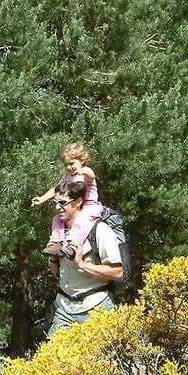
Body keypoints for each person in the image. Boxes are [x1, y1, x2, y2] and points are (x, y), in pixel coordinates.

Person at [47, 181, 123, 336]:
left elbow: (117, 272)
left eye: (62, 203)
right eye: (55, 203)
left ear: (78, 202)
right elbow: (56, 273)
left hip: (97, 306)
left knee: (100, 358)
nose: (57, 208)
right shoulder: (59, 231)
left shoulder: (100, 230)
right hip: (64, 307)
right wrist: (53, 259)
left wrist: (82, 264)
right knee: (54, 356)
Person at [32, 142, 104, 259]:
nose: (69, 167)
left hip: (89, 207)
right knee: (57, 219)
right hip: (72, 207)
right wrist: (42, 199)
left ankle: (74, 245)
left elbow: (92, 175)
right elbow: (55, 190)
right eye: (66, 165)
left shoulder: (85, 172)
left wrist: (84, 171)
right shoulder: (67, 176)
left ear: (82, 160)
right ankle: (56, 242)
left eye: (71, 163)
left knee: (81, 219)